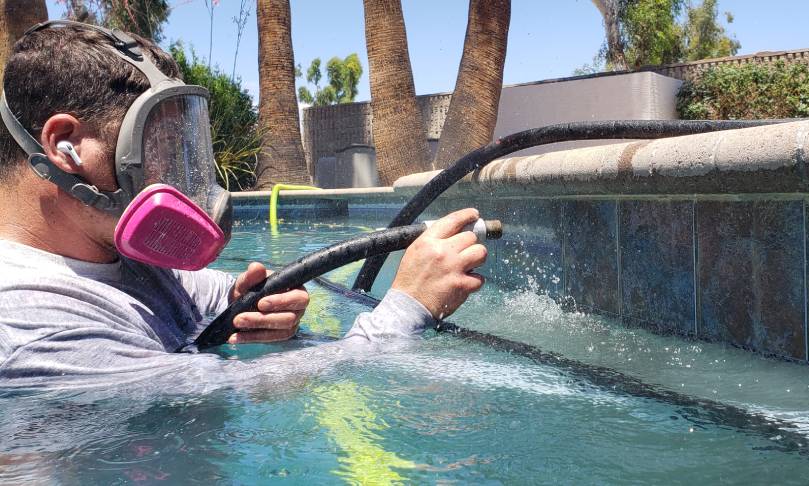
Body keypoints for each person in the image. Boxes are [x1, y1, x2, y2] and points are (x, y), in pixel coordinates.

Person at [0, 21, 487, 390]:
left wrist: (248, 308)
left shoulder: (115, 256)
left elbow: (213, 297)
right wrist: (407, 308)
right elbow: (226, 391)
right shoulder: (24, 321)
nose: (173, 177)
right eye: (159, 151)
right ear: (66, 148)